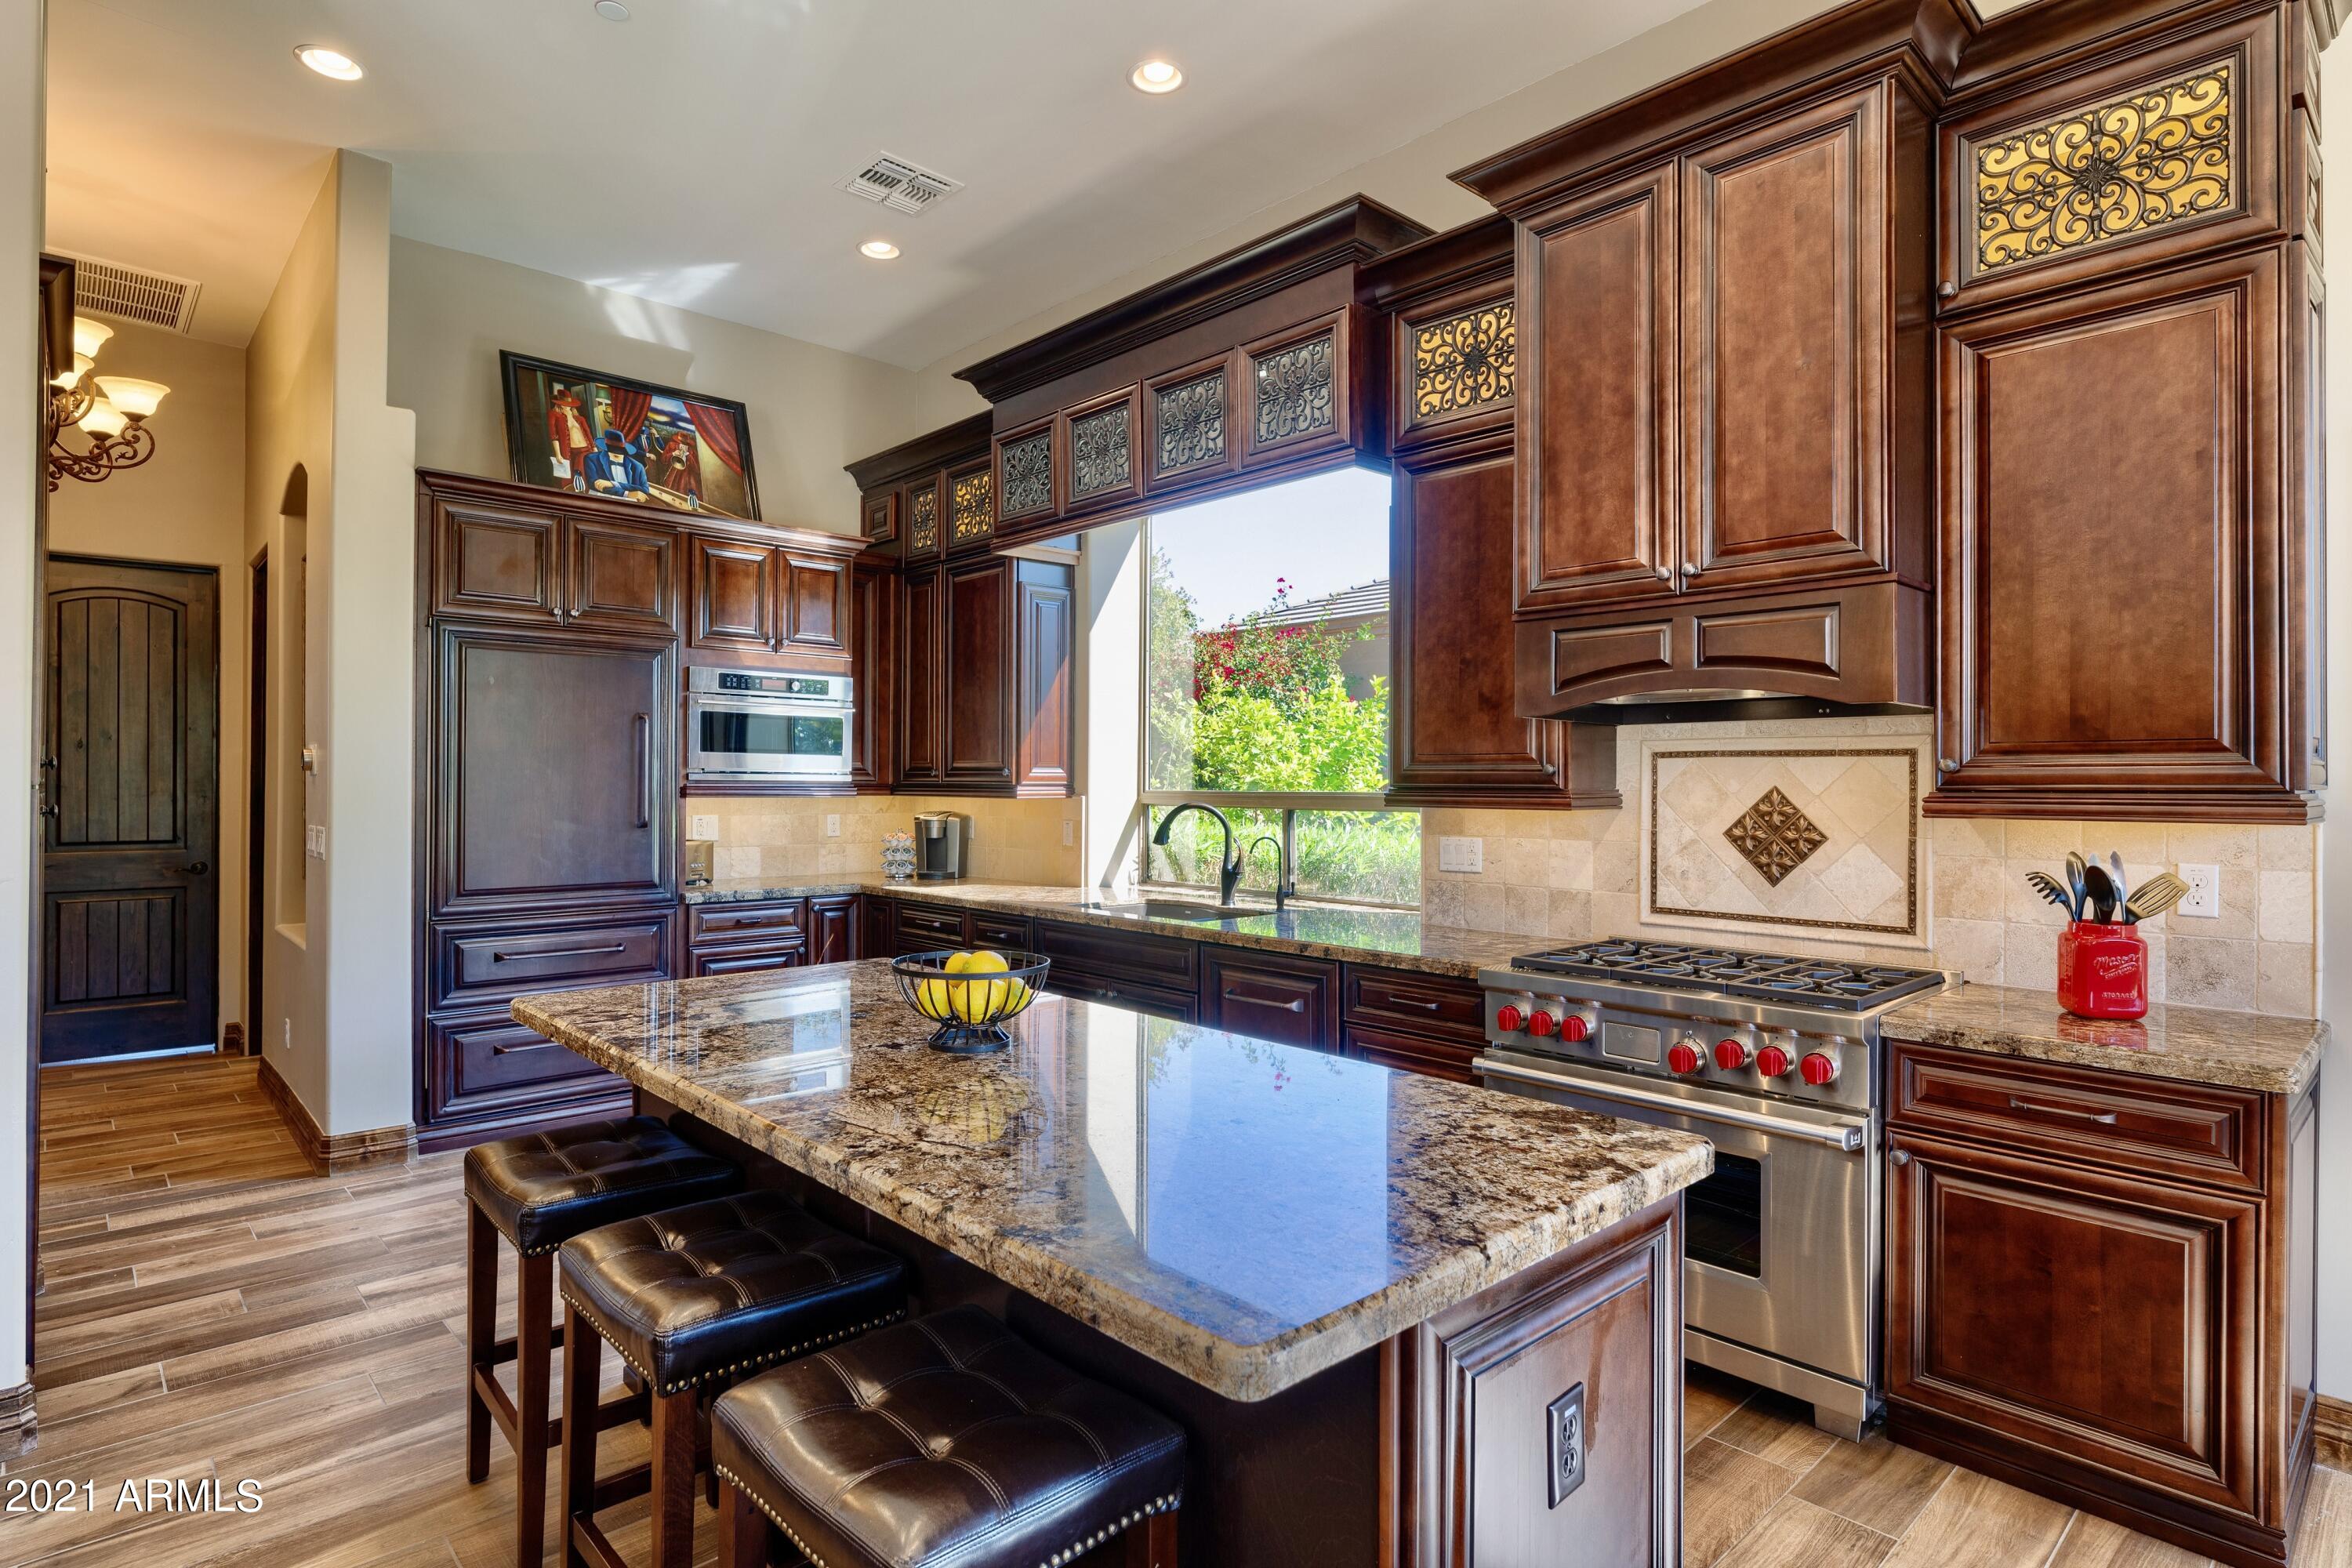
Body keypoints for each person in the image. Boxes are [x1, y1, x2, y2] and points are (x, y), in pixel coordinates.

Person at [580, 427, 651, 502]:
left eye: (618, 455)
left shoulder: (637, 466)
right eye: (614, 454)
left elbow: (645, 489)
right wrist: (627, 493)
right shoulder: (592, 459)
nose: (616, 456)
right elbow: (594, 484)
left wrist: (613, 484)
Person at [545, 385, 594, 489]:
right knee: (571, 480)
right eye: (564, 403)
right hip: (569, 451)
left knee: (588, 475)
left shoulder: (580, 418)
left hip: (586, 450)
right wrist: (558, 454)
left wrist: (595, 450)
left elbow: (589, 434)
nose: (566, 406)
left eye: (568, 403)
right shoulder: (554, 415)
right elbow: (554, 435)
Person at [656, 428, 702, 506]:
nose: (683, 445)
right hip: (672, 474)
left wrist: (689, 457)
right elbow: (663, 459)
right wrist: (673, 454)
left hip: (686, 477)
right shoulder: (672, 445)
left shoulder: (691, 451)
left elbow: (697, 469)